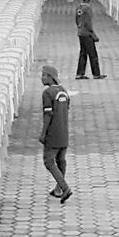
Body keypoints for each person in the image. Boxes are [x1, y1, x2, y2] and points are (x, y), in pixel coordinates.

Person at [39, 65, 73, 204]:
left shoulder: (47, 93)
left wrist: (43, 133)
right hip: (64, 131)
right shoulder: (63, 91)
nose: (41, 78)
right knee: (61, 160)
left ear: (50, 77)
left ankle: (64, 188)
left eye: (44, 75)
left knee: (49, 161)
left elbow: (48, 115)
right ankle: (58, 189)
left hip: (53, 132)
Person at [75, 0, 107, 80]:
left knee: (83, 53)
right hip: (86, 33)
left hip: (80, 32)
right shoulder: (88, 8)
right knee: (93, 54)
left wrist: (79, 27)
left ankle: (80, 73)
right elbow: (88, 23)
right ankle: (96, 74)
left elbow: (76, 20)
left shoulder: (79, 7)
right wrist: (93, 34)